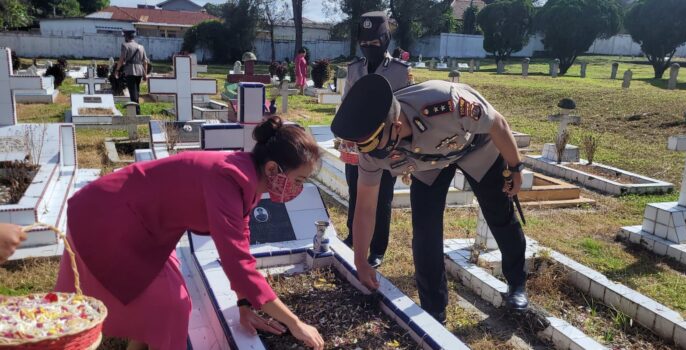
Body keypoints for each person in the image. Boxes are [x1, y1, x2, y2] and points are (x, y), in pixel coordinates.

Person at [55, 116, 324, 350]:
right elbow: (239, 264)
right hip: (108, 219)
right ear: (272, 169)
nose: (298, 189)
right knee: (172, 305)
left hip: (138, 225)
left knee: (162, 299)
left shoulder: (245, 178)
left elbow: (238, 246)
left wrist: (244, 304)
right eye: (298, 180)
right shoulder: (229, 179)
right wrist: (296, 324)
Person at [331, 74, 528, 324]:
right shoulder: (371, 148)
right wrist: (360, 259)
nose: (372, 155)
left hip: (474, 147)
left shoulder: (448, 103)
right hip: (428, 164)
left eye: (376, 146)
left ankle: (517, 283)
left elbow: (498, 124)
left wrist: (516, 167)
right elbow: (366, 205)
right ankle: (434, 308)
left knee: (499, 213)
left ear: (397, 127)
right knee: (425, 230)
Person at [340, 11, 411, 268]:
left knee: (382, 198)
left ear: (386, 40)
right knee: (355, 192)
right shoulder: (354, 69)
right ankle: (353, 235)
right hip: (356, 143)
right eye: (365, 43)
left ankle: (378, 247)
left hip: (385, 145)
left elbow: (405, 110)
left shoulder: (400, 72)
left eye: (375, 43)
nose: (369, 48)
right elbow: (347, 103)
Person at [115, 30, 149, 114]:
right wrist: (145, 73)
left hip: (130, 70)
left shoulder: (125, 45)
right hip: (140, 70)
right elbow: (145, 61)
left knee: (132, 92)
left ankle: (136, 111)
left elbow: (122, 59)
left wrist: (117, 70)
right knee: (136, 91)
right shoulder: (141, 47)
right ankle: (137, 110)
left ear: (126, 37)